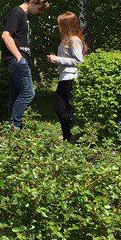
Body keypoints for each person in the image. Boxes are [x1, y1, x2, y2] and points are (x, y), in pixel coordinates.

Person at [0, 0, 50, 129]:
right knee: (28, 92)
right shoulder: (17, 13)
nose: (39, 12)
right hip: (16, 60)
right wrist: (19, 57)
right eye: (39, 8)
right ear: (33, 1)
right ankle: (15, 127)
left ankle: (13, 128)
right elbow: (6, 35)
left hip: (20, 60)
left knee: (16, 95)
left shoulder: (24, 16)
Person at [47, 11, 87, 142]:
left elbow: (79, 61)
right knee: (60, 108)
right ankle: (67, 135)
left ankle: (74, 134)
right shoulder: (67, 40)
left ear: (67, 25)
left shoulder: (74, 40)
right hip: (64, 77)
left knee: (66, 109)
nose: (59, 27)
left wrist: (57, 59)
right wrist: (56, 59)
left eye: (60, 24)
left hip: (71, 77)